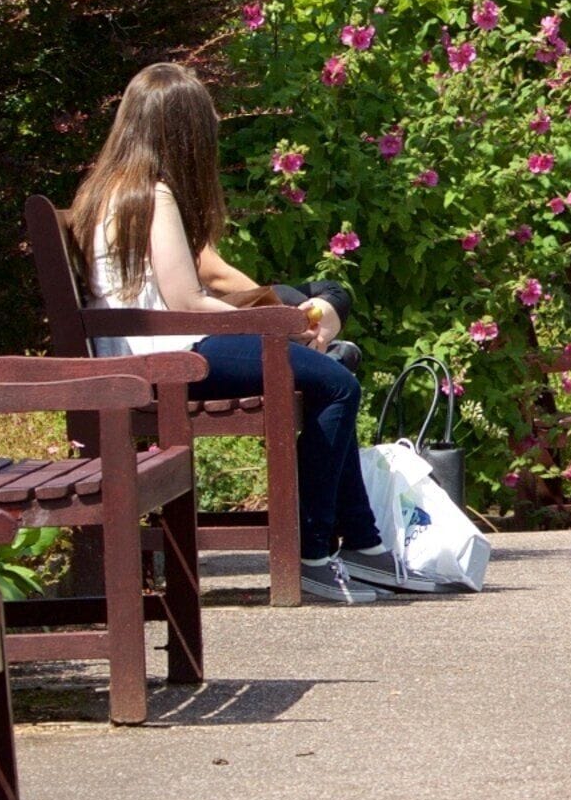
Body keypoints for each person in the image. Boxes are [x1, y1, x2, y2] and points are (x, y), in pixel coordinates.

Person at [67, 62, 386, 603]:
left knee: (325, 373)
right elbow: (187, 302)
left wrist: (272, 321)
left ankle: (360, 540)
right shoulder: (153, 195)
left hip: (144, 348)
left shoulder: (107, 188)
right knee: (335, 384)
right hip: (169, 355)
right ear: (184, 134)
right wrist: (277, 325)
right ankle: (315, 551)